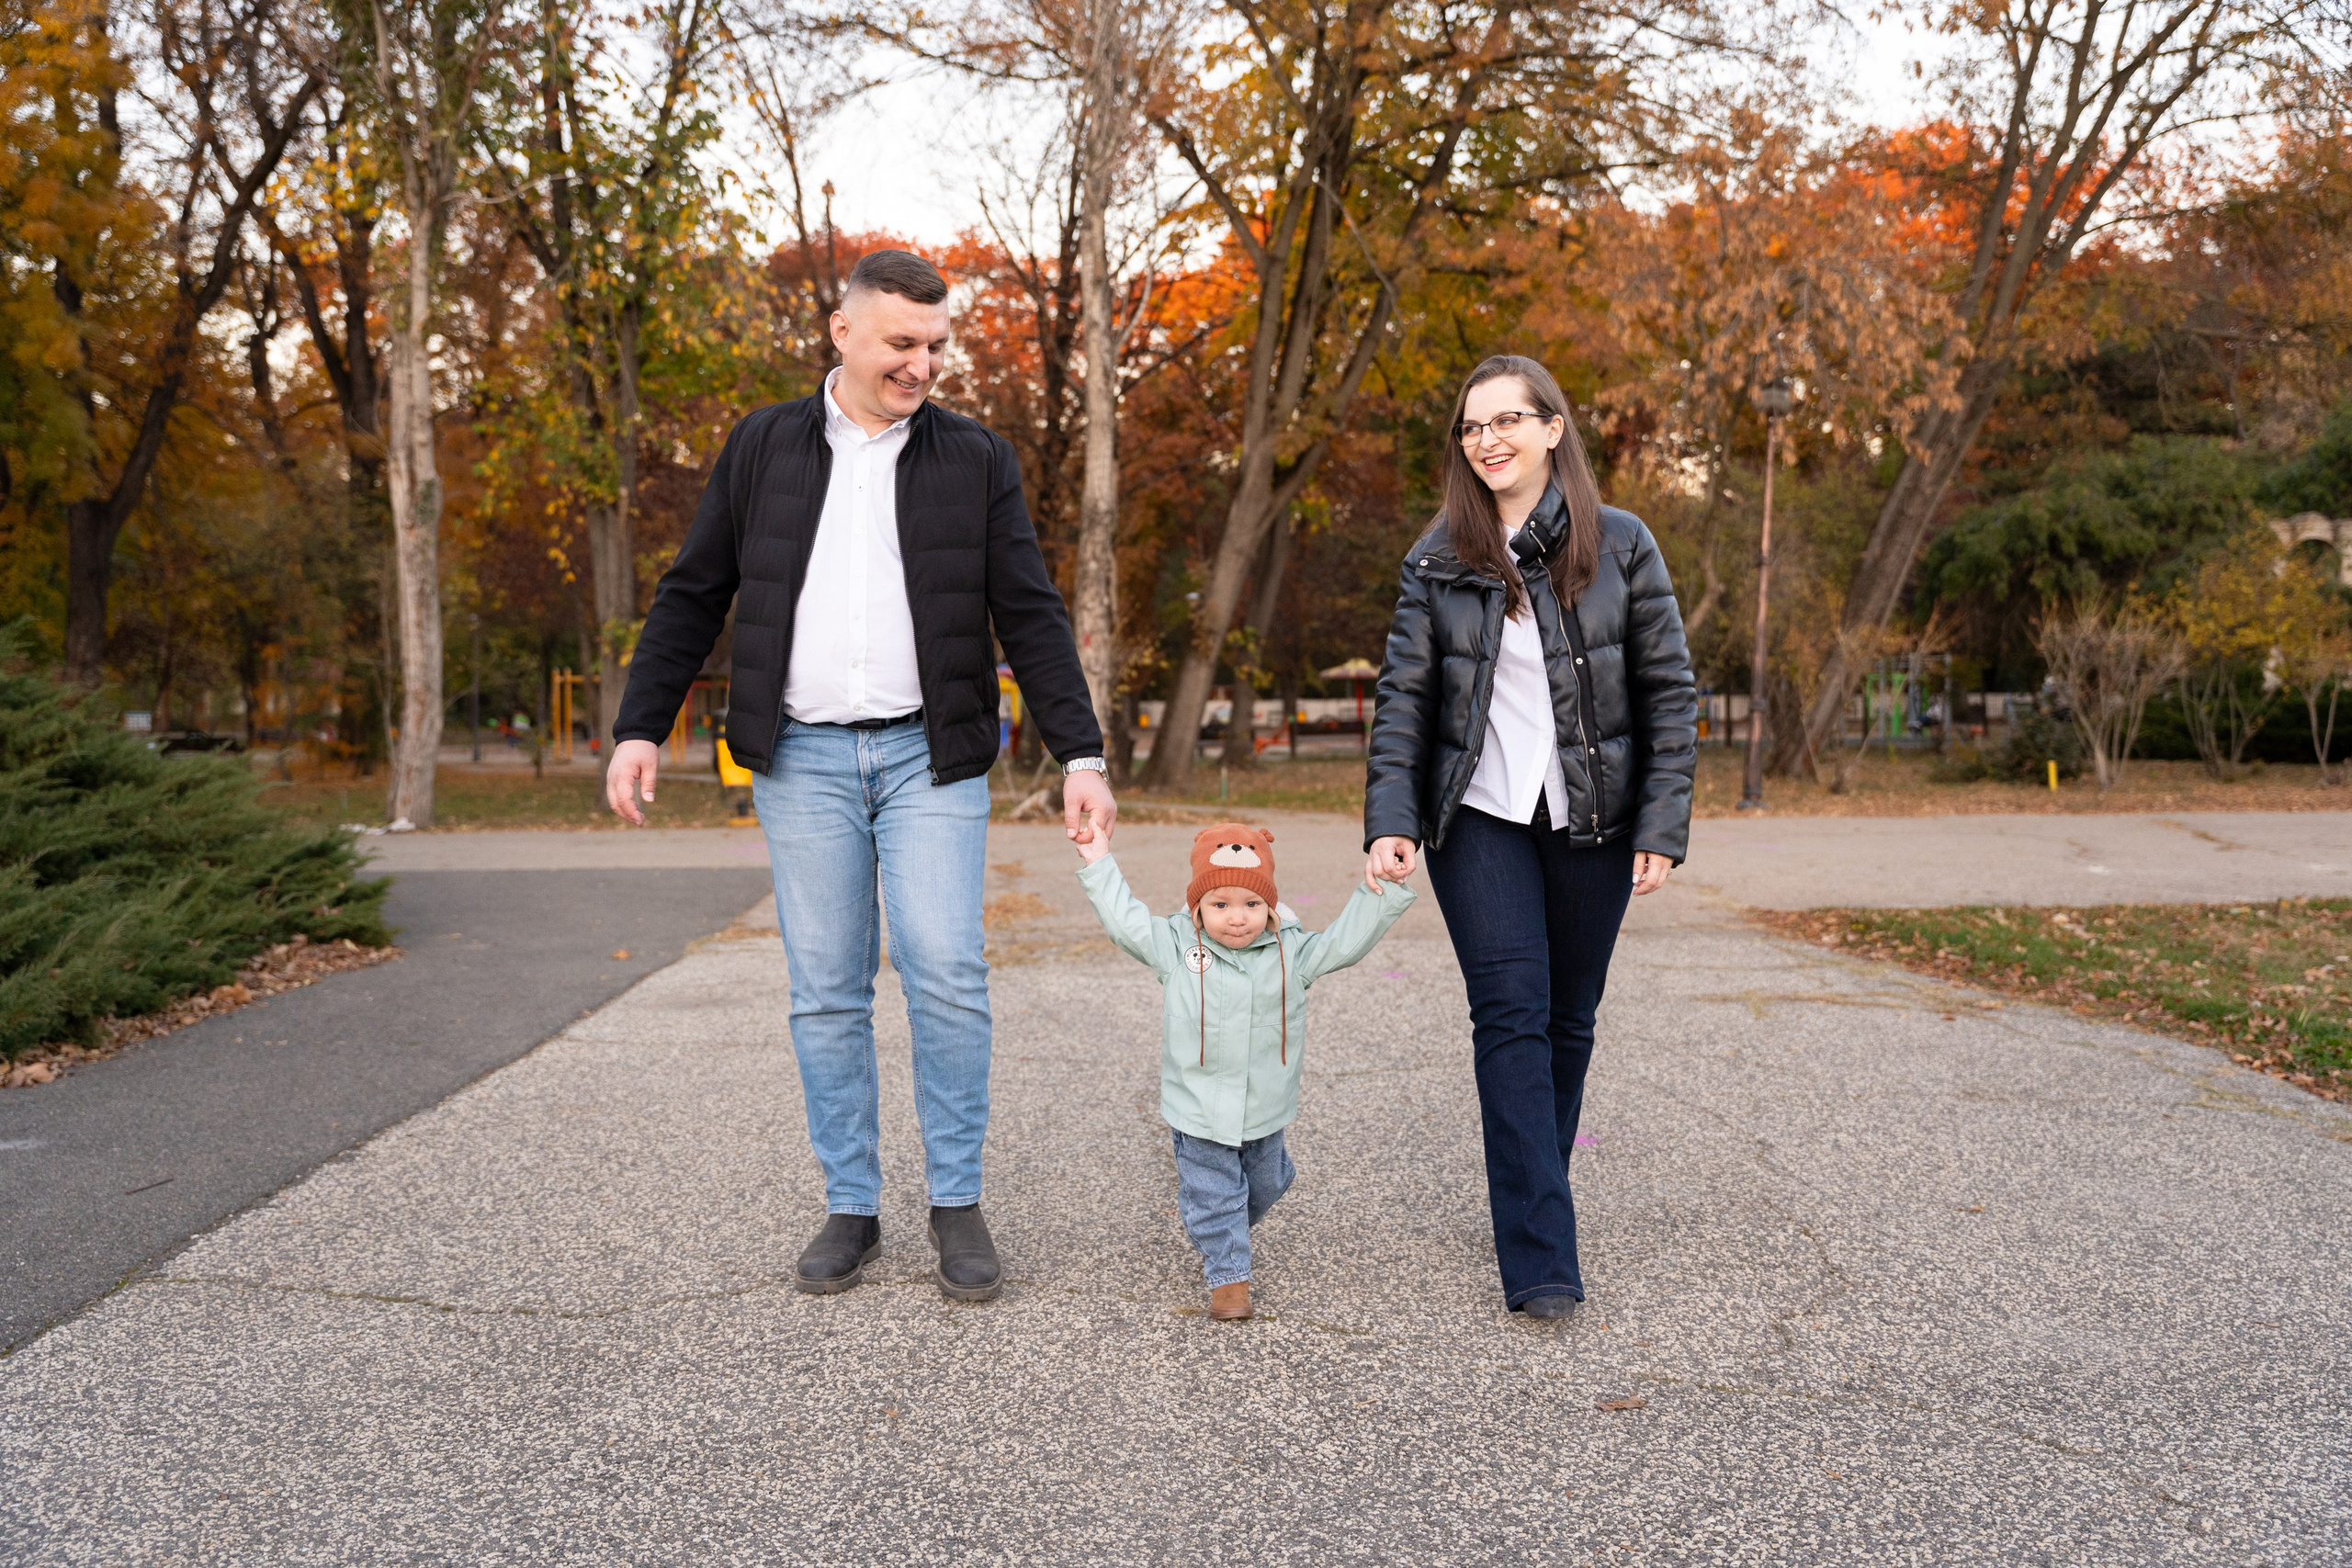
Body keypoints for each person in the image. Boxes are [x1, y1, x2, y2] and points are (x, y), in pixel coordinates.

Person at [605, 249, 1116, 1303]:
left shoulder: (975, 458)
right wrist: (639, 726)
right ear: (843, 334)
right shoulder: (762, 446)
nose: (921, 364)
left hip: (932, 756)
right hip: (801, 760)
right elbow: (694, 591)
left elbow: (1028, 609)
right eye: (901, 344)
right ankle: (851, 1204)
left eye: (935, 346)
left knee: (946, 969)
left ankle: (957, 1201)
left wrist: (1082, 753)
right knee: (828, 988)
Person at [1362, 354, 1696, 1321]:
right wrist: (1391, 819)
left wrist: (1662, 824)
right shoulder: (1438, 558)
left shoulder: (1622, 543)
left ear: (1553, 429)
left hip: (1594, 818)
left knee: (1568, 1017)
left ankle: (1532, 1187)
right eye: (1473, 426)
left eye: (1508, 419)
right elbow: (1405, 698)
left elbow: (1669, 693)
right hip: (1479, 817)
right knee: (1510, 1012)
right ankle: (1541, 1252)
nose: (1488, 439)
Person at [1074, 822, 1416, 1321]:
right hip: (1199, 1111)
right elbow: (1124, 920)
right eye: (1220, 905)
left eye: (1252, 904)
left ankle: (1221, 1222)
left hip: (1264, 1109)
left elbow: (1345, 942)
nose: (1237, 918)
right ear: (1198, 907)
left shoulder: (1290, 952)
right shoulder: (1175, 947)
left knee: (1266, 1184)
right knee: (1216, 1196)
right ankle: (1228, 1277)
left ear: (1270, 907)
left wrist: (1383, 889)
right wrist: (1097, 860)